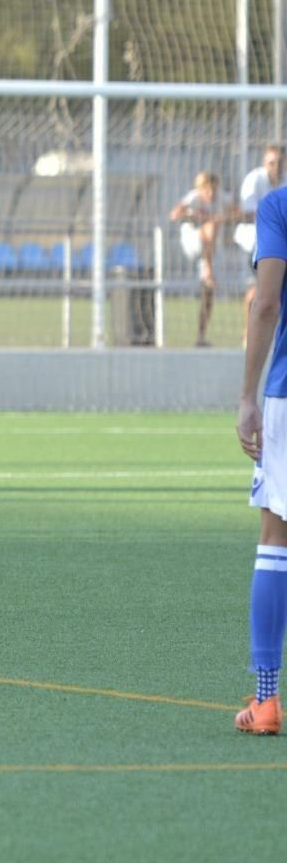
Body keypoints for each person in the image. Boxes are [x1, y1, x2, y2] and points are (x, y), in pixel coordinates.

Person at [235, 182, 287, 734]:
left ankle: (268, 700)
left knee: (276, 540)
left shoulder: (279, 205)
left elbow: (266, 302)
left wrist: (247, 396)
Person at [169, 170, 227, 347]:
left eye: (213, 189)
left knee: (208, 294)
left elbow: (237, 212)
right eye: (207, 190)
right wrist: (194, 215)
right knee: (209, 228)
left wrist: (223, 218)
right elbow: (174, 214)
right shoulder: (193, 198)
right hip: (193, 242)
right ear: (200, 189)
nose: (211, 193)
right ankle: (208, 271)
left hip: (209, 251)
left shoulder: (221, 199)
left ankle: (200, 336)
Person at [238, 145, 284, 332]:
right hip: (254, 242)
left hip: (280, 243)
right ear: (264, 163)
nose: (276, 167)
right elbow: (248, 212)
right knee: (260, 293)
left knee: (270, 294)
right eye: (272, 163)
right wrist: (275, 219)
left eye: (280, 162)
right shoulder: (254, 179)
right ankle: (249, 332)